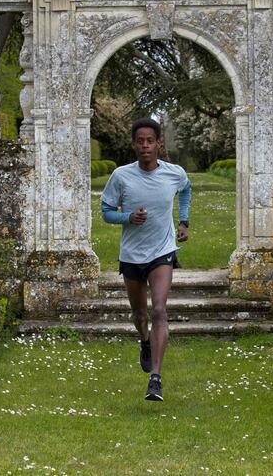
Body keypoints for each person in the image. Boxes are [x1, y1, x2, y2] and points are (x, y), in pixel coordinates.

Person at [100, 118, 192, 401]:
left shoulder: (174, 173)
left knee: (160, 310)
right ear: (133, 144)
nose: (145, 146)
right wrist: (128, 217)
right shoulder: (121, 176)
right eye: (139, 141)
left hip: (162, 251)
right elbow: (105, 211)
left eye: (149, 141)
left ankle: (155, 379)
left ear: (158, 143)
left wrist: (184, 221)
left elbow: (186, 189)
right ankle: (144, 341)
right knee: (140, 315)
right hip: (131, 256)